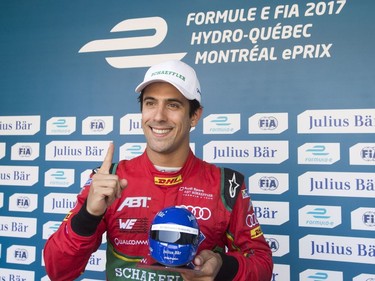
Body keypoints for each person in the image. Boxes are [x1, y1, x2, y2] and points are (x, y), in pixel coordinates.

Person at [44, 60, 273, 281]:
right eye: (150, 103)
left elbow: (261, 264)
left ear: (195, 115)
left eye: (173, 105)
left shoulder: (226, 185)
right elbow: (59, 271)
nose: (159, 116)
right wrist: (88, 215)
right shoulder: (109, 180)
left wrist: (222, 266)